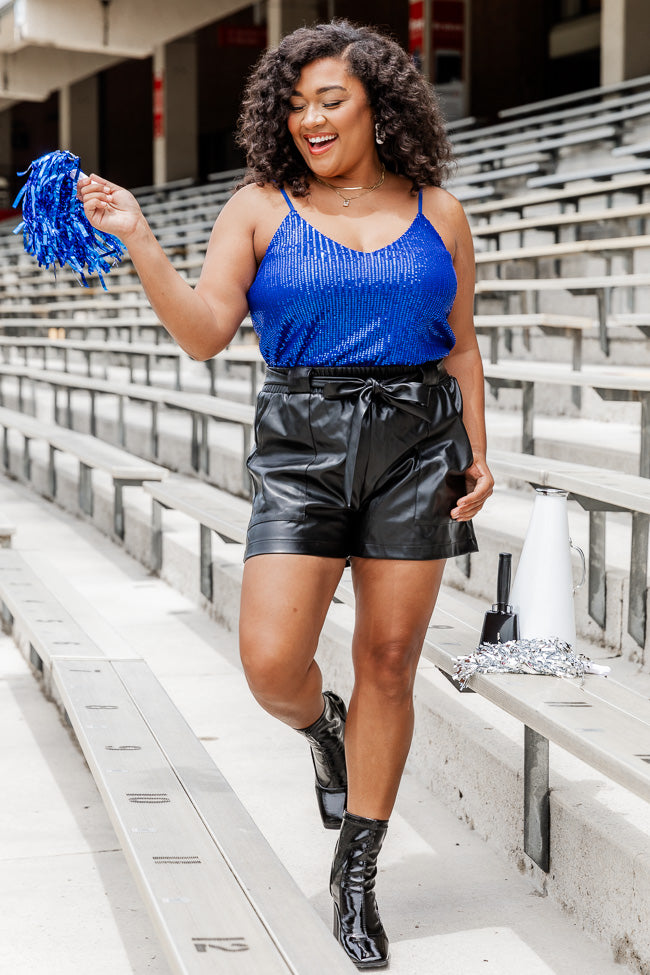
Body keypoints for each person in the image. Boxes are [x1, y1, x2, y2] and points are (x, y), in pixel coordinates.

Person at [80, 19, 493, 970]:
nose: (310, 117)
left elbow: (461, 341)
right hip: (302, 441)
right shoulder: (259, 207)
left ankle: (358, 872)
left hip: (418, 441)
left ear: (379, 106)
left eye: (331, 98)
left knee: (389, 659)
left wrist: (480, 447)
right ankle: (323, 726)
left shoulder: (442, 210)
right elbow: (203, 332)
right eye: (296, 102)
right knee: (271, 663)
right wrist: (141, 239)